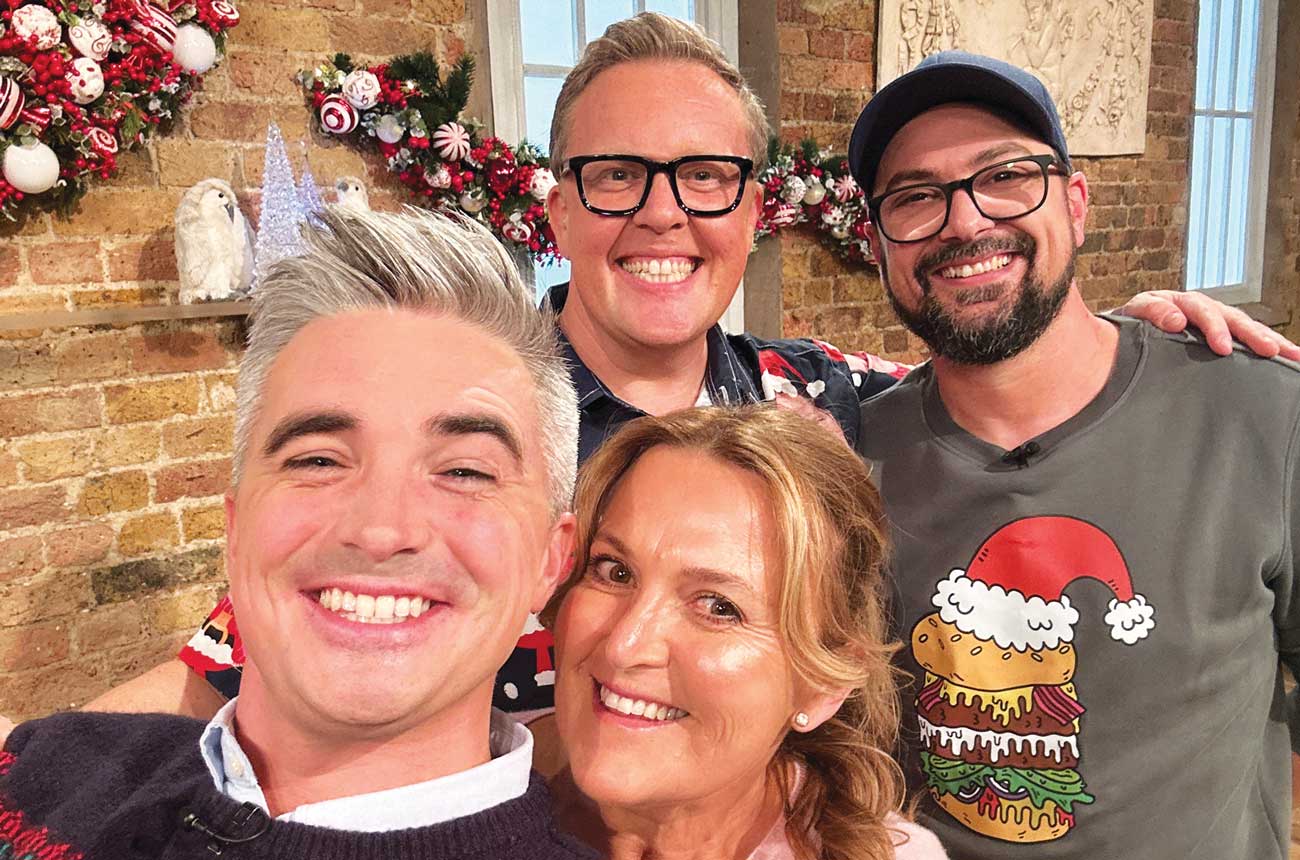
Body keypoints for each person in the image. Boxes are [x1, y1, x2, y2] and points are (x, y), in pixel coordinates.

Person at [53, 12, 1295, 735]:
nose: (663, 217)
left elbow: (997, 369)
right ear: (557, 197)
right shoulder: (466, 414)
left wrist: (1132, 330)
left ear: (753, 208)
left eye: (705, 177)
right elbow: (222, 662)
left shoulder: (826, 400)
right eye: (616, 174)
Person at [0, 208, 598, 859]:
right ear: (236, 528)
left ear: (550, 557)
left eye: (463, 471)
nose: (380, 530)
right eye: (317, 460)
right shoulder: (48, 765)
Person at [849, 51, 1300, 859]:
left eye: (1005, 176)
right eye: (916, 198)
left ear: (1078, 204)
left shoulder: (1260, 413)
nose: (964, 221)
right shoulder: (853, 462)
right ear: (879, 244)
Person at [544, 405, 948, 860]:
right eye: (615, 572)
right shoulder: (465, 813)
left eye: (718, 607)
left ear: (824, 684)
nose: (624, 646)